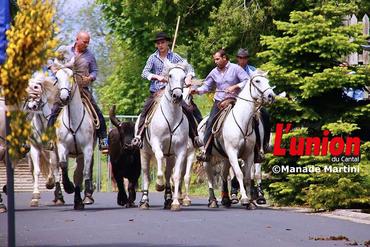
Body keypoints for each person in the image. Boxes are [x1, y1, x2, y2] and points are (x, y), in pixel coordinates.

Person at [131, 31, 202, 148]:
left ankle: (195, 137)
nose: (160, 45)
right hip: (156, 92)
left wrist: (189, 76)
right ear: (156, 45)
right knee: (145, 110)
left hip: (172, 92)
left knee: (188, 110)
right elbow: (144, 73)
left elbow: (189, 67)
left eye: (163, 42)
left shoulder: (175, 57)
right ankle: (138, 136)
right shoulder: (152, 58)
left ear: (167, 43)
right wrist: (157, 76)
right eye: (158, 43)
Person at [47, 31, 108, 152]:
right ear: (77, 40)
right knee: (54, 110)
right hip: (65, 88)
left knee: (97, 112)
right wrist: (53, 69)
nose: (87, 44)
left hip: (82, 89)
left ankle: (103, 140)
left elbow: (94, 70)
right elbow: (50, 59)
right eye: (85, 42)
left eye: (88, 42)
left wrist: (90, 77)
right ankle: (49, 139)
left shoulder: (90, 55)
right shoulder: (64, 50)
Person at [190, 49, 250, 162]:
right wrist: (197, 91)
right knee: (210, 122)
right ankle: (206, 151)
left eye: (217, 59)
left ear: (224, 58)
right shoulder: (213, 72)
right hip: (219, 102)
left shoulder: (236, 68)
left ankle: (259, 149)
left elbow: (247, 80)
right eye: (214, 60)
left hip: (236, 101)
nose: (216, 62)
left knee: (254, 119)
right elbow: (206, 86)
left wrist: (235, 86)